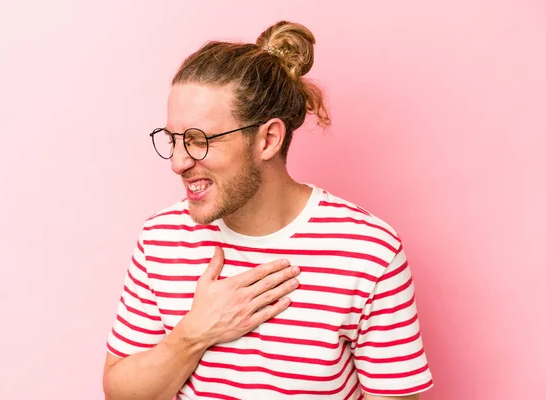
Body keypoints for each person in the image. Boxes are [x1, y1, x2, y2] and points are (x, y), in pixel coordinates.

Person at [103, 20, 433, 400]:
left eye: (197, 140)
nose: (177, 162)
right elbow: (120, 393)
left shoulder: (368, 252)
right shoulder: (159, 239)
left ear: (268, 139)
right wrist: (194, 333)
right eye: (173, 139)